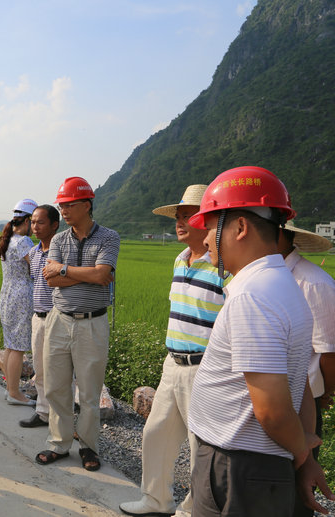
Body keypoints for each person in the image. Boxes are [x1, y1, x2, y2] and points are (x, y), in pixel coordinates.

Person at [186, 166, 317, 517]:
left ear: (240, 227)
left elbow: (272, 410)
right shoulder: (283, 284)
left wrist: (301, 452)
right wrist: (303, 453)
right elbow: (299, 381)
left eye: (210, 227)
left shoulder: (253, 296)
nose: (204, 240)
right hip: (252, 467)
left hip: (239, 469)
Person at [120, 185, 227, 517]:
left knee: (199, 446)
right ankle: (156, 500)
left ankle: (193, 510)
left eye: (187, 216)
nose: (179, 222)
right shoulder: (179, 260)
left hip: (204, 368)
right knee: (156, 432)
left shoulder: (224, 267)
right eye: (178, 216)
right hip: (173, 364)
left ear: (207, 220)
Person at [36, 176, 119, 472]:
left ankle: (87, 446)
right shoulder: (59, 239)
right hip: (59, 320)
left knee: (89, 392)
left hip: (92, 323)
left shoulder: (108, 237)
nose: (64, 210)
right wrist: (88, 273)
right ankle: (58, 443)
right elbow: (51, 279)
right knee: (56, 387)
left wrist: (65, 270)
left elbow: (102, 275)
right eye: (62, 205)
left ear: (86, 205)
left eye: (69, 204)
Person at [275, 223, 335, 516]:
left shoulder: (313, 283)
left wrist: (324, 393)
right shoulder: (259, 278)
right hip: (269, 399)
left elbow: (329, 352)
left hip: (303, 404)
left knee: (298, 485)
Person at [20, 204, 60, 428]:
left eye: (40, 222)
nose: (35, 227)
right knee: (41, 369)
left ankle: (61, 418)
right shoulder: (34, 253)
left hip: (58, 318)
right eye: (33, 222)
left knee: (60, 371)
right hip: (38, 318)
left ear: (54, 225)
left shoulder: (61, 252)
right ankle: (43, 413)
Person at [0, 198, 38, 406]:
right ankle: (14, 393)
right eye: (35, 222)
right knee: (18, 347)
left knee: (10, 345)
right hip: (21, 297)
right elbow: (37, 267)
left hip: (7, 294)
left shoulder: (9, 239)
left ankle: (10, 390)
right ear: (28, 220)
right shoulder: (24, 242)